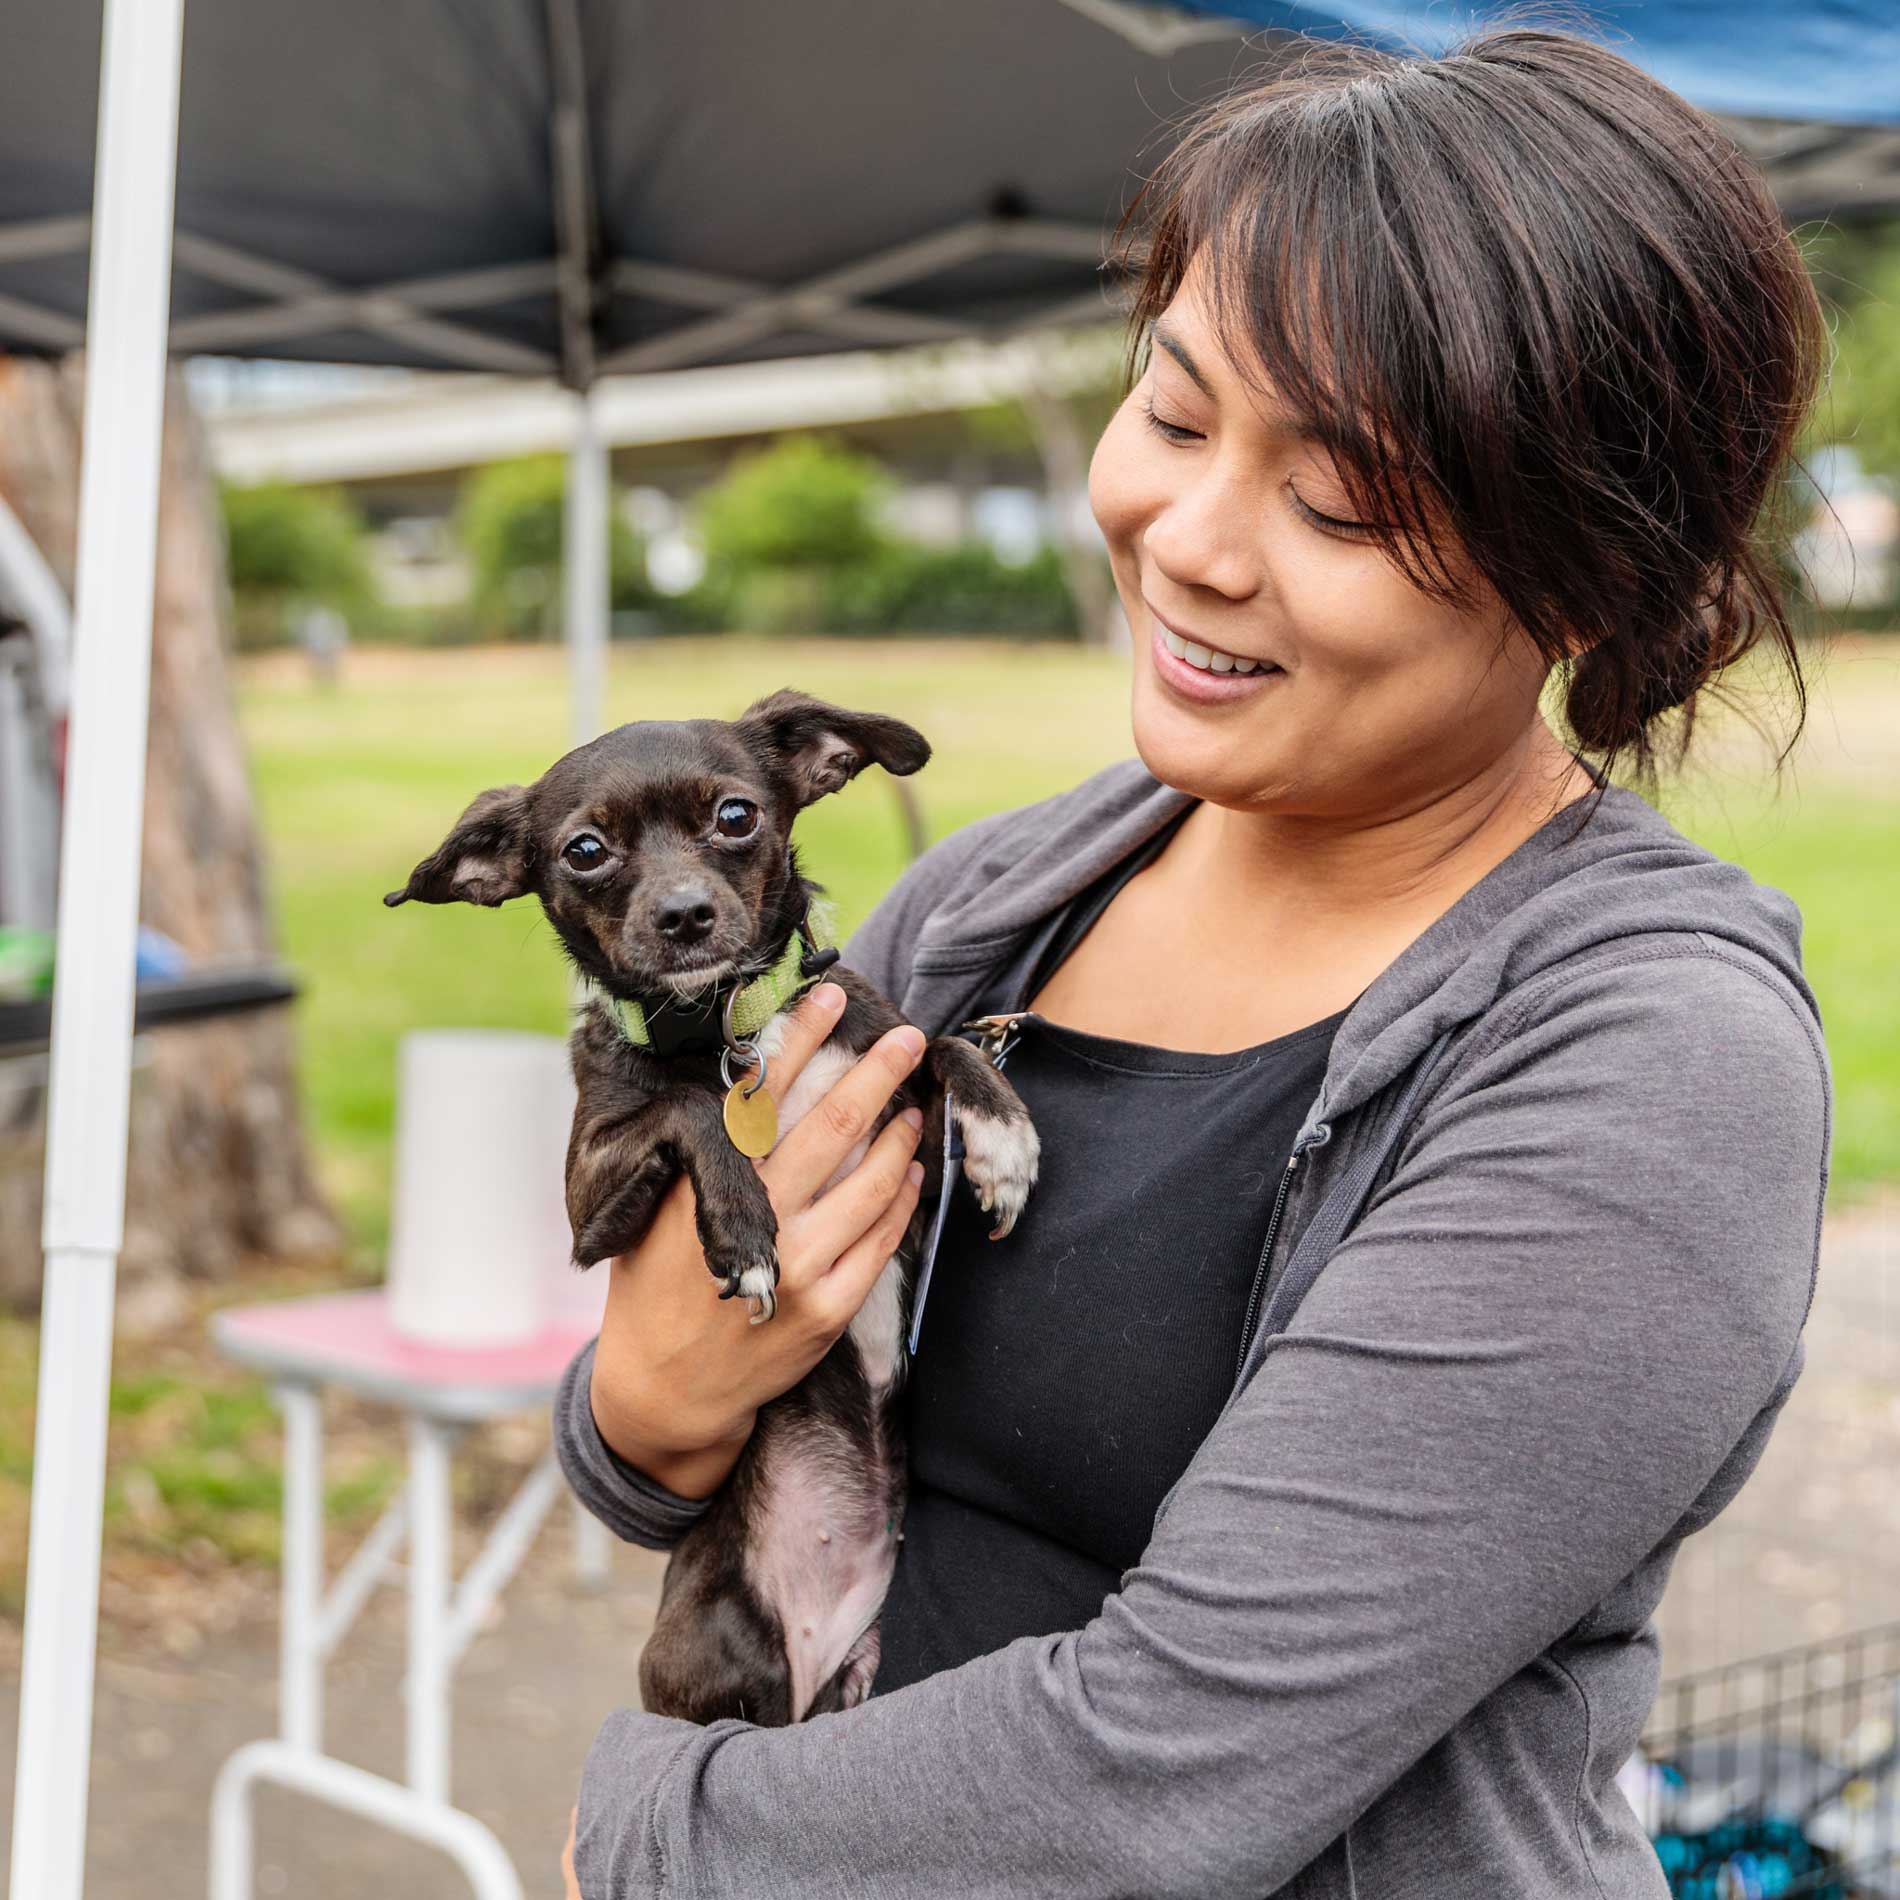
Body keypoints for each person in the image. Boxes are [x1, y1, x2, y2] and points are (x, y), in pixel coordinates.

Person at [554, 26, 1831, 1898]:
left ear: (1586, 578)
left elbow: (1163, 1774)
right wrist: (643, 1403)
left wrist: (646, 1836)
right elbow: (693, 1440)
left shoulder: (1645, 1054)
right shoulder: (998, 903)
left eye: (1342, 503)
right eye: (1171, 410)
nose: (1192, 541)